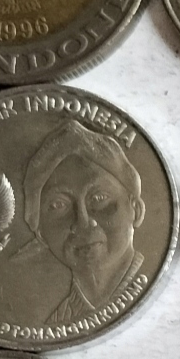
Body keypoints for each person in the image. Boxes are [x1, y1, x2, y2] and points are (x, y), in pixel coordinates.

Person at [22, 120, 146, 326]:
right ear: (40, 232)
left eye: (99, 198)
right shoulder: (55, 325)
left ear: (136, 210)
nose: (83, 222)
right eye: (59, 205)